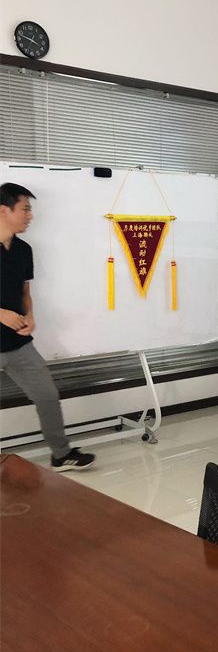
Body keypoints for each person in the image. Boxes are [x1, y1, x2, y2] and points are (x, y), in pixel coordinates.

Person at [0, 183, 95, 472]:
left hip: (18, 343)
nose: (30, 216)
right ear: (4, 210)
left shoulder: (23, 250)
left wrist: (30, 315)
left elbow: (24, 291)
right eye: (25, 209)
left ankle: (61, 454)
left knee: (47, 395)